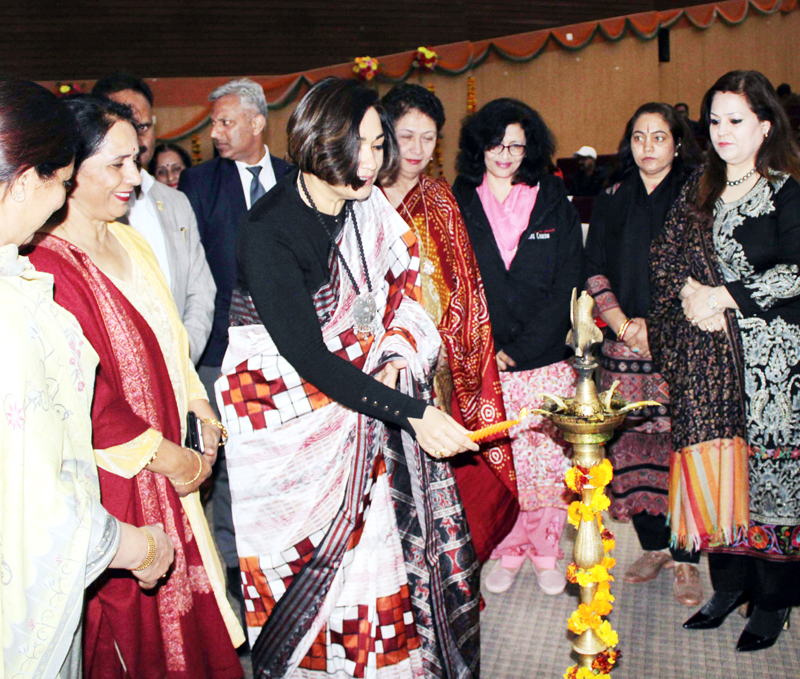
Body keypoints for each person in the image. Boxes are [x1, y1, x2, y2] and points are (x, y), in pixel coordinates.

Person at [215, 76, 480, 678]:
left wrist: (394, 354)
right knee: (314, 579)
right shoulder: (269, 231)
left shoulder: (366, 208)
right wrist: (412, 411)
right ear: (314, 141)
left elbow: (406, 292)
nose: (370, 161)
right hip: (292, 432)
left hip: (367, 413)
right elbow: (308, 357)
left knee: (374, 564)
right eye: (355, 145)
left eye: (375, 144)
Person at [27, 94, 244, 677]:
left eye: (137, 160)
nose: (136, 177)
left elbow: (174, 342)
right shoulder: (45, 266)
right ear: (70, 172)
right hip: (116, 484)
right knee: (131, 637)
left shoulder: (130, 241)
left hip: (175, 460)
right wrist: (173, 460)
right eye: (117, 165)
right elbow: (91, 401)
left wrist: (201, 411)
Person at [0, 77, 174, 678]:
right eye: (60, 180)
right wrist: (140, 547)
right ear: (26, 182)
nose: (62, 198)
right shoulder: (16, 307)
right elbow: (43, 496)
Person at [649, 70, 800, 652]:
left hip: (770, 373)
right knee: (716, 476)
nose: (721, 131)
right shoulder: (697, 188)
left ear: (765, 125)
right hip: (705, 363)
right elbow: (663, 258)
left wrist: (723, 296)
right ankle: (729, 585)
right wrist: (690, 296)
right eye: (714, 120)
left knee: (769, 481)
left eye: (736, 120)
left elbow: (795, 270)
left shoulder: (787, 190)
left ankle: (773, 599)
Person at [379, 82, 518, 563]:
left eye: (428, 137)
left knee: (445, 489)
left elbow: (466, 284)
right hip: (378, 372)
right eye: (406, 136)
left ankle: (444, 584)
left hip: (440, 370)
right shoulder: (361, 198)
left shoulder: (440, 197)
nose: (417, 150)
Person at [453, 98, 584, 595]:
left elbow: (567, 280)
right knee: (502, 459)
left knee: (548, 462)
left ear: (529, 148)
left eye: (515, 145)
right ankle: (508, 549)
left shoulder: (551, 196)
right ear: (478, 147)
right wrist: (488, 346)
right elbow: (455, 284)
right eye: (494, 144)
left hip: (545, 357)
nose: (504, 155)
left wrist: (525, 347)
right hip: (485, 359)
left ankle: (547, 550)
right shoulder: (462, 197)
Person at [178, 78, 292, 610]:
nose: (215, 132)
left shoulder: (297, 179)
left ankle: (287, 556)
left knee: (282, 455)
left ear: (256, 122)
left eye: (226, 122)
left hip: (289, 348)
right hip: (219, 353)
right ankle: (231, 569)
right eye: (213, 122)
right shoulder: (197, 186)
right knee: (224, 460)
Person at [585, 102, 704, 606]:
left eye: (659, 137)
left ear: (677, 143)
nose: (648, 146)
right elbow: (593, 270)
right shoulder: (613, 197)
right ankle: (654, 547)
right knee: (634, 453)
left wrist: (661, 329)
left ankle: (687, 559)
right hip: (623, 349)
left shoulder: (699, 196)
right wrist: (624, 324)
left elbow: (707, 271)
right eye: (639, 136)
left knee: (684, 452)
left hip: (683, 348)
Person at [92, 73, 215, 364]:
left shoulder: (175, 201)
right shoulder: (86, 209)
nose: (137, 138)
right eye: (126, 126)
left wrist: (183, 359)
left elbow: (201, 290)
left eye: (143, 126)